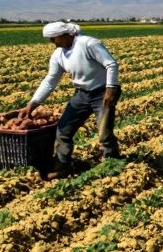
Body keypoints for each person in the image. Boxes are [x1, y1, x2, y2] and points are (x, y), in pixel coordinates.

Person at [18, 21, 121, 180]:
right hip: (82, 94)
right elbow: (50, 80)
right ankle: (62, 167)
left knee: (104, 134)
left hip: (102, 92)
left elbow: (111, 64)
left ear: (66, 35)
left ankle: (112, 163)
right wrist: (32, 104)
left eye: (54, 38)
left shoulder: (88, 44)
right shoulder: (58, 55)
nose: (53, 42)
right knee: (63, 130)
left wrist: (111, 88)